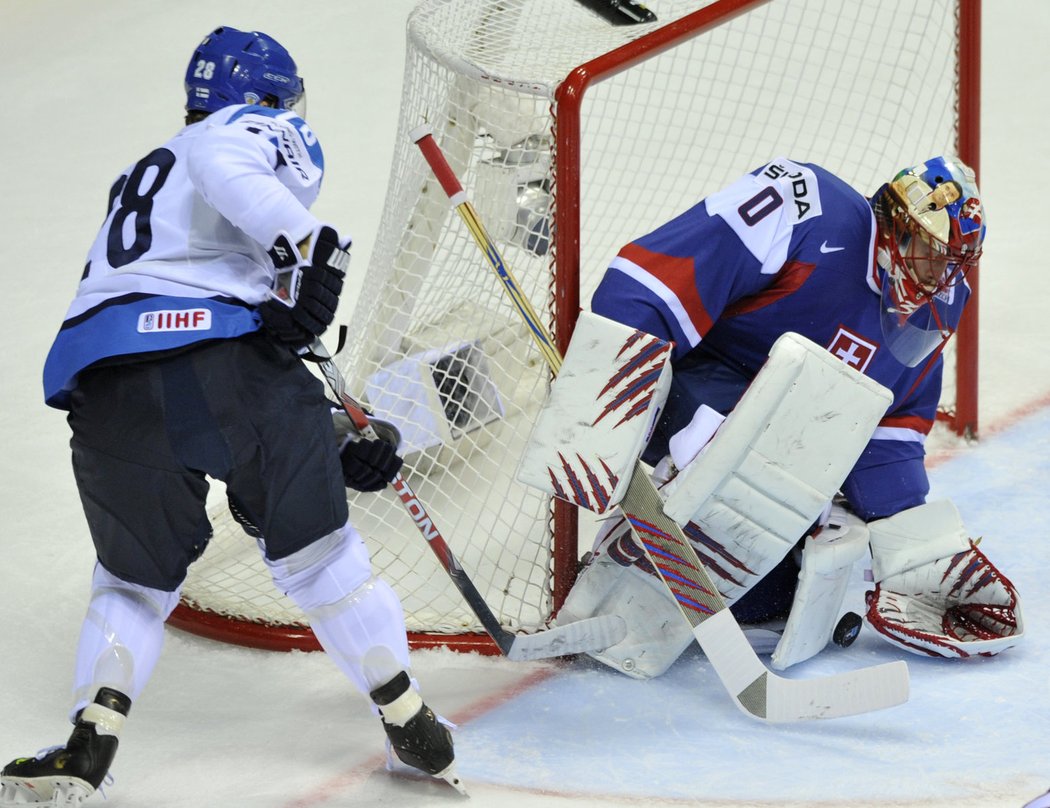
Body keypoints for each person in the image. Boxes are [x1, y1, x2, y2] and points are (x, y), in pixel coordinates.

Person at [0, 26, 461, 805]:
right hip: (224, 368)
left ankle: (88, 745)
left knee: (131, 586)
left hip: (106, 384)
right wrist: (313, 247)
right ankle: (411, 722)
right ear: (265, 101)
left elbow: (242, 313)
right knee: (321, 562)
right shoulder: (238, 130)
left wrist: (335, 434)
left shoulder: (141, 180)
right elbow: (230, 173)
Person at [560, 155, 1023, 677]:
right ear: (896, 221)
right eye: (931, 253)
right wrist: (617, 398)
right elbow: (649, 283)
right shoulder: (807, 207)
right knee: (734, 457)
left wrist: (912, 546)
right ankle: (625, 552)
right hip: (697, 388)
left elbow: (889, 421)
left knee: (766, 595)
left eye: (956, 262)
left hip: (785, 431)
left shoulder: (941, 299)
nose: (941, 276)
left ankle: (690, 569)